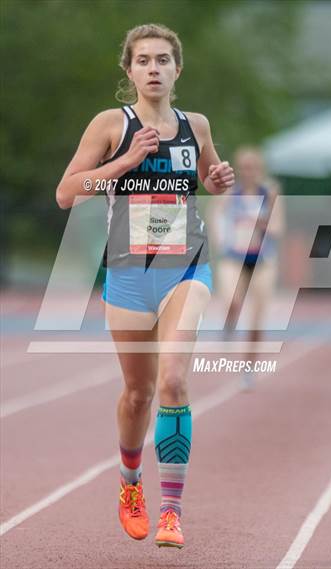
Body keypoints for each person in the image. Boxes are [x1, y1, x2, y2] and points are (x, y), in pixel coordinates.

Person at [55, 23, 234, 548]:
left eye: (163, 60)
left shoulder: (195, 124)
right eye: (143, 60)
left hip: (186, 267)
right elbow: (67, 193)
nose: (153, 69)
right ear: (129, 70)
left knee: (175, 381)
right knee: (139, 393)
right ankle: (131, 483)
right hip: (130, 275)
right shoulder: (112, 123)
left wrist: (218, 182)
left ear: (178, 69)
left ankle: (172, 512)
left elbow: (208, 175)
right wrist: (125, 161)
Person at [212, 147, 283, 389]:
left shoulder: (270, 192)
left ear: (260, 169)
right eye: (243, 167)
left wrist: (259, 221)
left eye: (252, 167)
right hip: (234, 257)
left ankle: (248, 369)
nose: (248, 172)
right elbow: (215, 218)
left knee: (256, 320)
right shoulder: (231, 192)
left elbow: (277, 228)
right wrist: (222, 237)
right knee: (232, 300)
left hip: (262, 260)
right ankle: (229, 325)